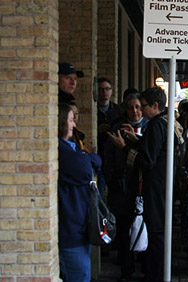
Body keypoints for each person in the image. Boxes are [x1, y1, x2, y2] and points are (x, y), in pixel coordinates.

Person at [107, 87, 178, 282]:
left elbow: (147, 161)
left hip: (155, 188)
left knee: (155, 234)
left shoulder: (156, 125)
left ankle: (154, 275)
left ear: (155, 106)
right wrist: (136, 140)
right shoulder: (164, 122)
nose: (141, 111)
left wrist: (125, 147)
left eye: (143, 106)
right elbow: (155, 149)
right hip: (162, 187)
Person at [103, 93, 149, 280]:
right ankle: (126, 269)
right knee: (123, 230)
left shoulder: (149, 128)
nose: (135, 111)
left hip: (143, 187)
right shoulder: (117, 129)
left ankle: (145, 266)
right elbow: (108, 159)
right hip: (121, 187)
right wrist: (112, 179)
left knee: (144, 226)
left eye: (138, 107)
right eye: (131, 107)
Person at [58, 103, 101, 282]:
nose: (74, 125)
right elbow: (86, 168)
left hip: (80, 228)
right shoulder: (60, 149)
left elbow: (96, 160)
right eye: (70, 120)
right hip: (71, 232)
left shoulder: (70, 147)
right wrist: (86, 157)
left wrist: (86, 157)